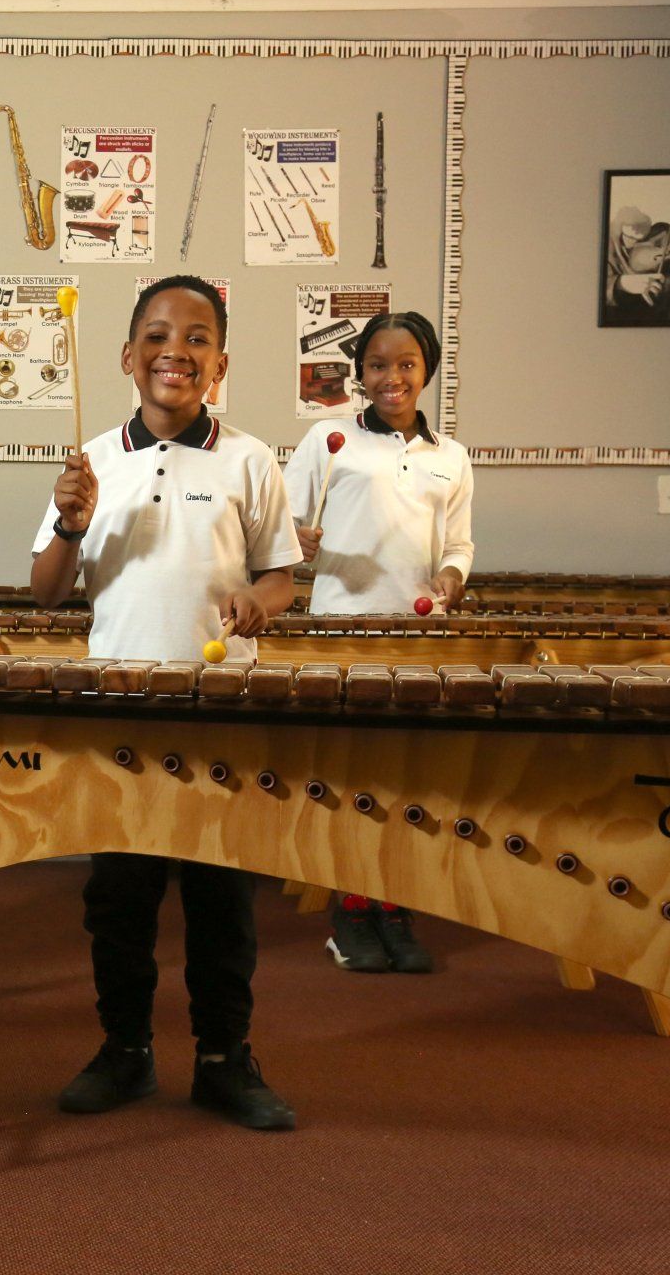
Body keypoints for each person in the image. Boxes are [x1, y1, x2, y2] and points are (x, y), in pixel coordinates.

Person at [31, 276, 299, 1128]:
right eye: (156, 335)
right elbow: (45, 593)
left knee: (222, 896)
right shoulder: (91, 464)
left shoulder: (250, 459)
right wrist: (71, 524)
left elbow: (282, 575)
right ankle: (126, 1050)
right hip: (121, 708)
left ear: (219, 363)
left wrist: (264, 602)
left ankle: (224, 1056)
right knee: (121, 895)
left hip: (222, 704)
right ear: (127, 357)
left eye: (195, 337)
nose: (174, 350)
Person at [285, 310, 473, 975]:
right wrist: (296, 543)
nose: (391, 378)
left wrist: (452, 576)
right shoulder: (328, 440)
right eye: (377, 366)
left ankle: (397, 907)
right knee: (352, 777)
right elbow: (280, 534)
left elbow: (458, 543)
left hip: (419, 635)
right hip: (342, 628)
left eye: (406, 365)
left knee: (407, 778)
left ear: (426, 371)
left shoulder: (449, 457)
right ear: (359, 375)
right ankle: (352, 910)